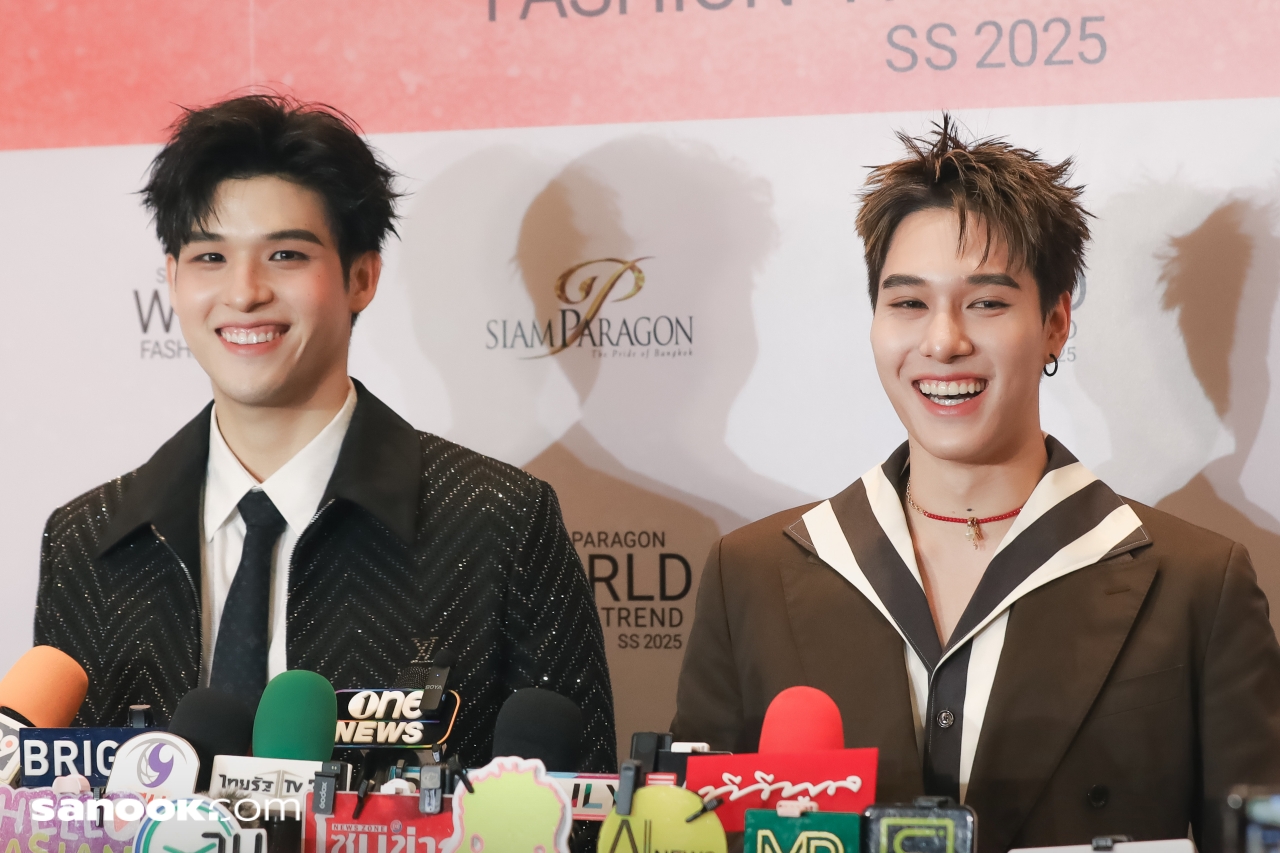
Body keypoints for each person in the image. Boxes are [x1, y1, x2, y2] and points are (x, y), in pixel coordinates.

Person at [671, 117, 1280, 851]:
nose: (943, 341)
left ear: (1055, 322)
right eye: (908, 303)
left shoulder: (1197, 585)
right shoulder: (751, 576)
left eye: (987, 302)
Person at [33, 94, 616, 772]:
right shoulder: (90, 541)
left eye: (285, 254)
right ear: (172, 279)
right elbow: (50, 804)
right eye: (210, 257)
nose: (244, 292)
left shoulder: (499, 522)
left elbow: (583, 804)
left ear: (361, 277)